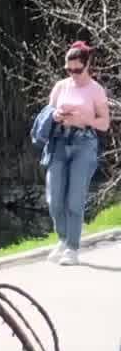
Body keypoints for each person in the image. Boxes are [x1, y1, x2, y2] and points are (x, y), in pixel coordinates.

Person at [46, 41, 110, 266]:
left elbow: (104, 123)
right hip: (60, 143)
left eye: (77, 69)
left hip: (84, 144)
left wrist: (85, 120)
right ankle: (63, 239)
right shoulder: (61, 86)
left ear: (87, 64)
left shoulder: (95, 90)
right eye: (68, 69)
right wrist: (56, 116)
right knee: (54, 198)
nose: (73, 74)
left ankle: (72, 247)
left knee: (74, 199)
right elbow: (49, 112)